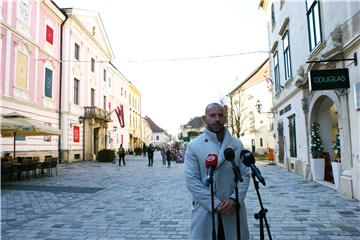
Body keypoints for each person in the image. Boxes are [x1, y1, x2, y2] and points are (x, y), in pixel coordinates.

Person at [184, 102, 250, 240]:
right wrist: (215, 203)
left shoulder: (237, 144)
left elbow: (245, 174)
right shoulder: (194, 146)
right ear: (205, 118)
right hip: (206, 209)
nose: (217, 119)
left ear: (225, 118)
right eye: (212, 115)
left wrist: (234, 199)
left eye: (220, 115)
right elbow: (192, 180)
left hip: (232, 209)